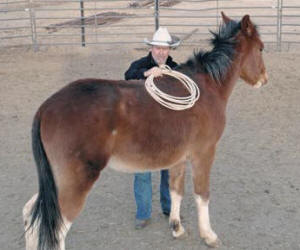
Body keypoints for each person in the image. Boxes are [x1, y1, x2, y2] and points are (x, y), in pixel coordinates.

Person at [124, 27, 180, 229]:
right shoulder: (139, 65)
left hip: (168, 132)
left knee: (169, 173)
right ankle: (143, 213)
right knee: (142, 173)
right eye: (157, 48)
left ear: (169, 50)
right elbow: (128, 77)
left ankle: (168, 208)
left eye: (164, 49)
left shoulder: (176, 69)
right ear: (152, 48)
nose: (161, 52)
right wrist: (148, 73)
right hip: (143, 131)